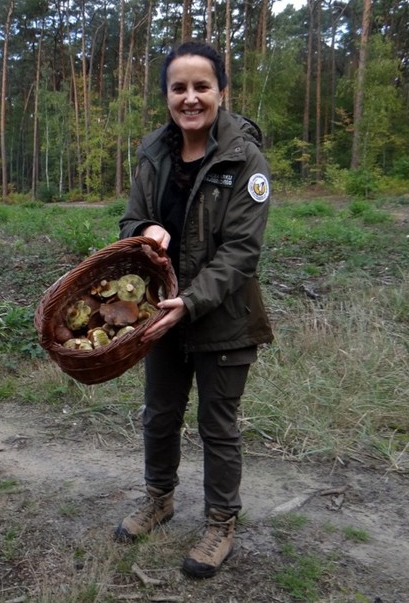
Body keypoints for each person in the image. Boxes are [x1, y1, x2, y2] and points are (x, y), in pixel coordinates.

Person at [114, 40, 274, 578]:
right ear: (166, 95)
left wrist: (193, 300)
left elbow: (241, 252)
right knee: (159, 415)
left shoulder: (244, 159)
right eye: (178, 87)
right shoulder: (153, 153)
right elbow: (128, 223)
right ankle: (159, 499)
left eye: (201, 87)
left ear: (221, 92)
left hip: (223, 318)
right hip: (160, 314)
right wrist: (144, 232)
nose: (190, 98)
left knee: (217, 425)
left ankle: (220, 522)